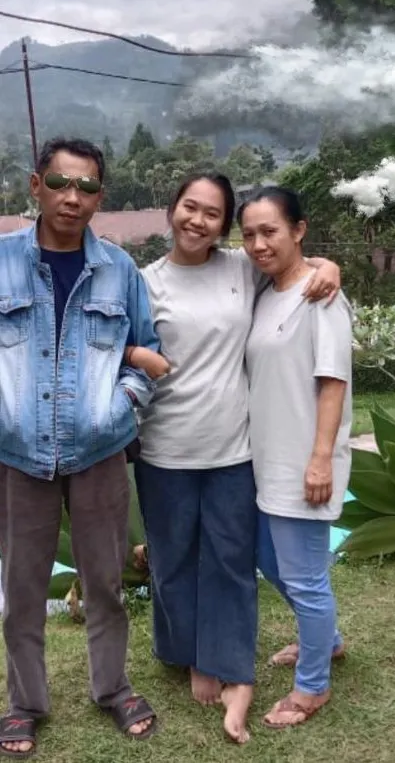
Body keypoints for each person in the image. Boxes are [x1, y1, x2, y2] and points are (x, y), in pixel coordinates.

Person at [127, 171, 341, 744]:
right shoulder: (142, 280)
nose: (198, 220)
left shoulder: (241, 269)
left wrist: (327, 266)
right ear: (171, 211)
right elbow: (107, 336)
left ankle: (227, 665)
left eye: (213, 214)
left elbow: (290, 264)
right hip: (164, 447)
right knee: (173, 561)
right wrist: (138, 353)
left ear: (224, 226)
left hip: (232, 449)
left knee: (228, 559)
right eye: (189, 208)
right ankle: (187, 652)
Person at [0, 137, 160, 758]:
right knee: (21, 587)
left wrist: (119, 405)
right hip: (17, 455)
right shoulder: (4, 261)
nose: (74, 197)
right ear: (35, 185)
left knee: (106, 581)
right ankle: (24, 703)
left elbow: (145, 353)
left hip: (99, 453)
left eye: (88, 186)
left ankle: (113, 688)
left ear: (101, 195)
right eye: (61, 183)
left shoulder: (120, 270)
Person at [239, 186, 352, 730]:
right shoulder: (266, 292)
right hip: (267, 460)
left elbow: (332, 381)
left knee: (306, 579)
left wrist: (321, 459)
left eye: (271, 231)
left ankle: (313, 688)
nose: (259, 244)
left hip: (305, 460)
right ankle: (325, 640)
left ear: (299, 230)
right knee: (269, 558)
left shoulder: (320, 293)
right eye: (250, 234)